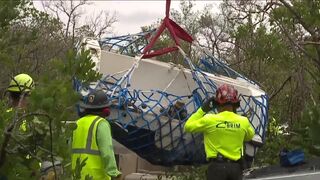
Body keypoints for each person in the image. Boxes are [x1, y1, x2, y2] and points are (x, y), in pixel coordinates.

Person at [184, 84, 255, 180]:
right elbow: (249, 136)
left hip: (217, 169)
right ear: (235, 104)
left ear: (217, 103)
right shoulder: (243, 121)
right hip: (236, 169)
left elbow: (188, 126)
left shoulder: (210, 119)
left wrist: (203, 109)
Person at [72, 89, 121, 180]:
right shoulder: (101, 123)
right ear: (105, 110)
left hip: (76, 175)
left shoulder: (77, 123)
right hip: (96, 176)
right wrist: (113, 172)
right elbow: (107, 150)